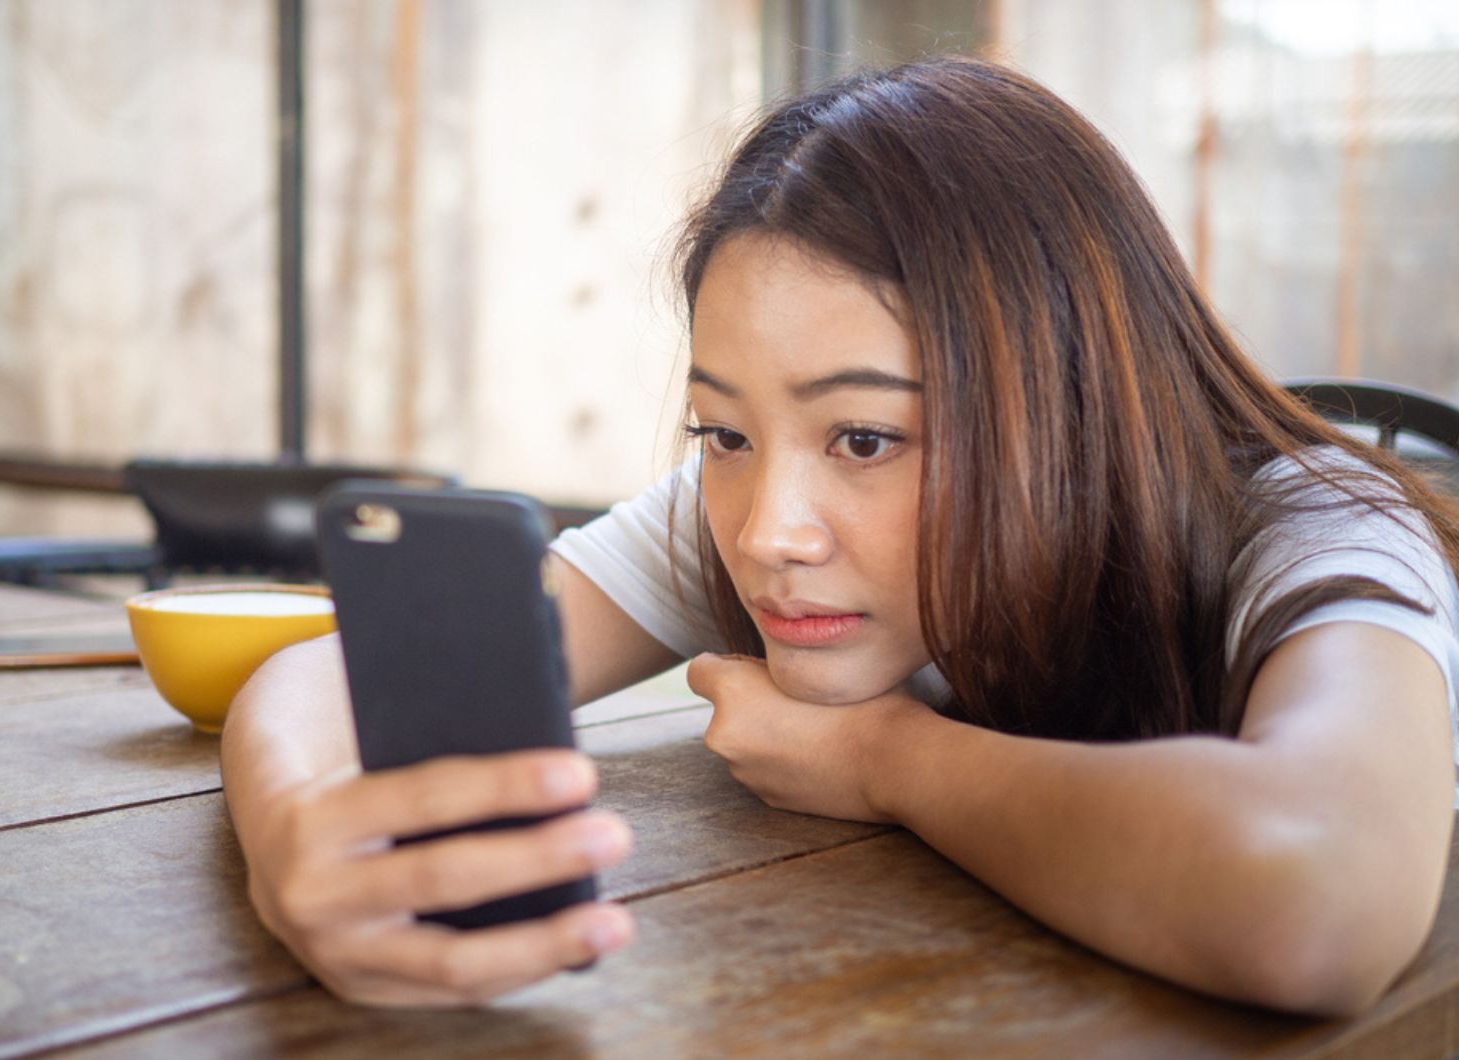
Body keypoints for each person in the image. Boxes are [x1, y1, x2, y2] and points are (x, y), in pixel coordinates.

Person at [220, 56, 1459, 1014]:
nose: (769, 534)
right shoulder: (758, 509)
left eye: (864, 437)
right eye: (722, 431)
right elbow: (313, 678)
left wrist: (883, 758)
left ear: (1062, 407)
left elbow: (1319, 890)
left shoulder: (1311, 527)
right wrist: (294, 846)